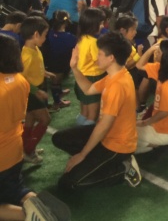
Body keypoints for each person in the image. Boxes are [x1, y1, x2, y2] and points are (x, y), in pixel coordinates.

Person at [52, 32, 141, 189]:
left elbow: (104, 125)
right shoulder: (115, 74)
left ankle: (122, 170)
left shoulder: (118, 85)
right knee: (58, 138)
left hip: (118, 145)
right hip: (106, 136)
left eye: (99, 54)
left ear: (111, 58)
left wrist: (82, 155)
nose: (96, 58)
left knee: (69, 184)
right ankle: (94, 160)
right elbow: (88, 89)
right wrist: (74, 67)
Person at [0, 34, 71, 221]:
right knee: (15, 189)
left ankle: (28, 215)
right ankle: (38, 206)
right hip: (14, 152)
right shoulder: (20, 81)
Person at [135, 39, 168, 155]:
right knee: (128, 134)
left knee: (126, 138)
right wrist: (151, 49)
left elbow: (164, 112)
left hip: (166, 131)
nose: (155, 53)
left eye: (158, 51)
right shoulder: (160, 69)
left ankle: (158, 146)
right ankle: (157, 145)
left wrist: (145, 122)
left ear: (166, 57)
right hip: (161, 126)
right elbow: (139, 65)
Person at [20, 17, 52, 164]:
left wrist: (44, 73)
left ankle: (23, 148)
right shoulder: (27, 55)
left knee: (30, 120)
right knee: (45, 119)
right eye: (45, 35)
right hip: (31, 93)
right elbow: (21, 77)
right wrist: (37, 91)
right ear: (36, 35)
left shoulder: (34, 48)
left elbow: (34, 68)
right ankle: (28, 150)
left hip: (33, 90)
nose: (46, 38)